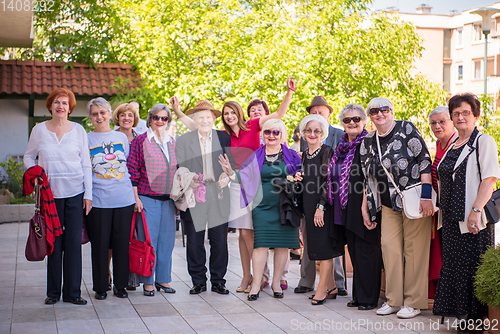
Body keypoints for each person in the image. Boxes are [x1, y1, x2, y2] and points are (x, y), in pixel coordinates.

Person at [219, 79, 296, 293]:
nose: (229, 116)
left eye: (232, 112)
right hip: (239, 184)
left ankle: (264, 277)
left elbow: (278, 115)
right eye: (226, 114)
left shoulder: (253, 126)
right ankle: (250, 276)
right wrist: (178, 112)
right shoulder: (226, 135)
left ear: (240, 114)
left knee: (257, 234)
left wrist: (288, 92)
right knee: (244, 234)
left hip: (258, 186)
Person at [360, 97, 434, 319]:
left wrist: (426, 195)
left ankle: (413, 302)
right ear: (370, 116)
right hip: (387, 202)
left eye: (384, 109)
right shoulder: (368, 141)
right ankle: (393, 300)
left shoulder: (406, 128)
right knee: (389, 249)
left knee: (415, 251)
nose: (379, 114)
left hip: (414, 199)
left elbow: (424, 159)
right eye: (374, 111)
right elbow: (367, 178)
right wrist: (366, 207)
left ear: (391, 111)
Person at [433, 93, 500, 321]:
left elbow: (490, 179)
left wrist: (476, 210)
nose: (461, 117)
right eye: (456, 113)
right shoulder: (453, 144)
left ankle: (475, 319)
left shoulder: (484, 141)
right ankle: (462, 316)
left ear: (476, 116)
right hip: (451, 220)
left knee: (472, 269)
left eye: (466, 113)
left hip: (472, 219)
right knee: (456, 269)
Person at [24, 88, 92, 305]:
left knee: (72, 243)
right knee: (53, 243)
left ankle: (73, 293)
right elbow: (28, 156)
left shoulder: (79, 130)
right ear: (50, 106)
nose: (60, 106)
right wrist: (35, 173)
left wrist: (88, 195)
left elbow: (86, 165)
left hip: (75, 194)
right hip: (49, 196)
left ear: (70, 108)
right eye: (56, 102)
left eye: (64, 103)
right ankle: (53, 293)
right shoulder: (39, 130)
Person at [175, 99, 232, 295]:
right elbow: (179, 167)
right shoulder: (184, 140)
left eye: (208, 117)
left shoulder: (224, 138)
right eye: (200, 117)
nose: (204, 120)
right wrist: (188, 179)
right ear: (194, 119)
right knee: (194, 240)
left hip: (218, 193)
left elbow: (230, 165)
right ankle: (198, 281)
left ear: (213, 119)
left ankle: (218, 281)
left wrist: (226, 176)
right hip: (194, 194)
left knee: (219, 241)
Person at [295, 96, 347, 297]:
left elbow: (329, 181)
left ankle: (321, 291)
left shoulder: (327, 151)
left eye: (317, 131)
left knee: (325, 250)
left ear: (323, 133)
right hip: (309, 206)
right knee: (316, 248)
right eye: (308, 130)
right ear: (303, 133)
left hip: (322, 207)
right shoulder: (306, 154)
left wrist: (321, 207)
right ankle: (332, 287)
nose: (312, 134)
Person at [86, 97, 135, 300]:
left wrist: (134, 194)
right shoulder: (86, 139)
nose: (99, 117)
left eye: (103, 112)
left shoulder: (121, 138)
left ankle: (120, 286)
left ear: (109, 113)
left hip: (124, 199)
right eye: (95, 113)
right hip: (98, 200)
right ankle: (100, 287)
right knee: (99, 245)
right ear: (90, 117)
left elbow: (127, 168)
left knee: (122, 244)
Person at [333, 104, 381, 311]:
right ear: (342, 124)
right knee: (353, 250)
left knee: (366, 251)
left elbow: (371, 177)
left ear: (363, 122)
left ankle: (369, 298)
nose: (352, 123)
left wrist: (365, 206)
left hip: (364, 204)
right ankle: (359, 296)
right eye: (347, 120)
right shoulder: (341, 146)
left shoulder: (368, 143)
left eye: (356, 119)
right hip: (346, 206)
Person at [127, 103, 178, 296]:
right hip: (147, 198)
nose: (159, 121)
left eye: (164, 118)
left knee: (167, 242)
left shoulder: (172, 142)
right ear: (149, 119)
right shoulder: (140, 141)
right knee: (149, 242)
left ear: (168, 121)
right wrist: (136, 197)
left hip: (169, 200)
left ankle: (163, 280)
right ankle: (148, 282)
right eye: (156, 117)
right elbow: (132, 170)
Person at [428, 106, 457, 299]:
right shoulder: (440, 144)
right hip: (440, 209)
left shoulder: (458, 143)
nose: (437, 126)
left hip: (455, 210)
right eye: (433, 123)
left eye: (442, 121)